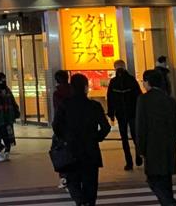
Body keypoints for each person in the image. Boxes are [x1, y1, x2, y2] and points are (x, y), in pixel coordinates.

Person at [52, 74, 110, 206]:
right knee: (90, 183)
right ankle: (88, 203)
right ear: (85, 87)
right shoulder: (94, 106)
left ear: (71, 87)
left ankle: (81, 201)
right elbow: (105, 127)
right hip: (90, 149)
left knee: (73, 181)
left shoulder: (65, 105)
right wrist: (96, 137)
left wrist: (65, 138)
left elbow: (56, 125)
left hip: (71, 149)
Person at [135, 69, 176, 206]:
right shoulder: (169, 100)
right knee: (166, 182)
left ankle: (171, 204)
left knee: (153, 180)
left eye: (144, 81)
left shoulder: (144, 99)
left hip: (152, 147)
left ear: (147, 82)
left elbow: (141, 127)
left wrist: (140, 150)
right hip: (169, 146)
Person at [106, 60, 143, 170]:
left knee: (124, 138)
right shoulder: (131, 80)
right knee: (135, 135)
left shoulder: (113, 82)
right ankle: (138, 156)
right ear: (125, 67)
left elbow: (110, 99)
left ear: (115, 68)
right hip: (132, 112)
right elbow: (138, 96)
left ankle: (129, 162)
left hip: (120, 113)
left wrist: (111, 113)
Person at [51, 70, 73, 190]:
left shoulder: (57, 93)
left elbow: (58, 111)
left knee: (60, 152)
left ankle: (64, 178)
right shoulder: (73, 90)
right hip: (75, 126)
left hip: (63, 127)